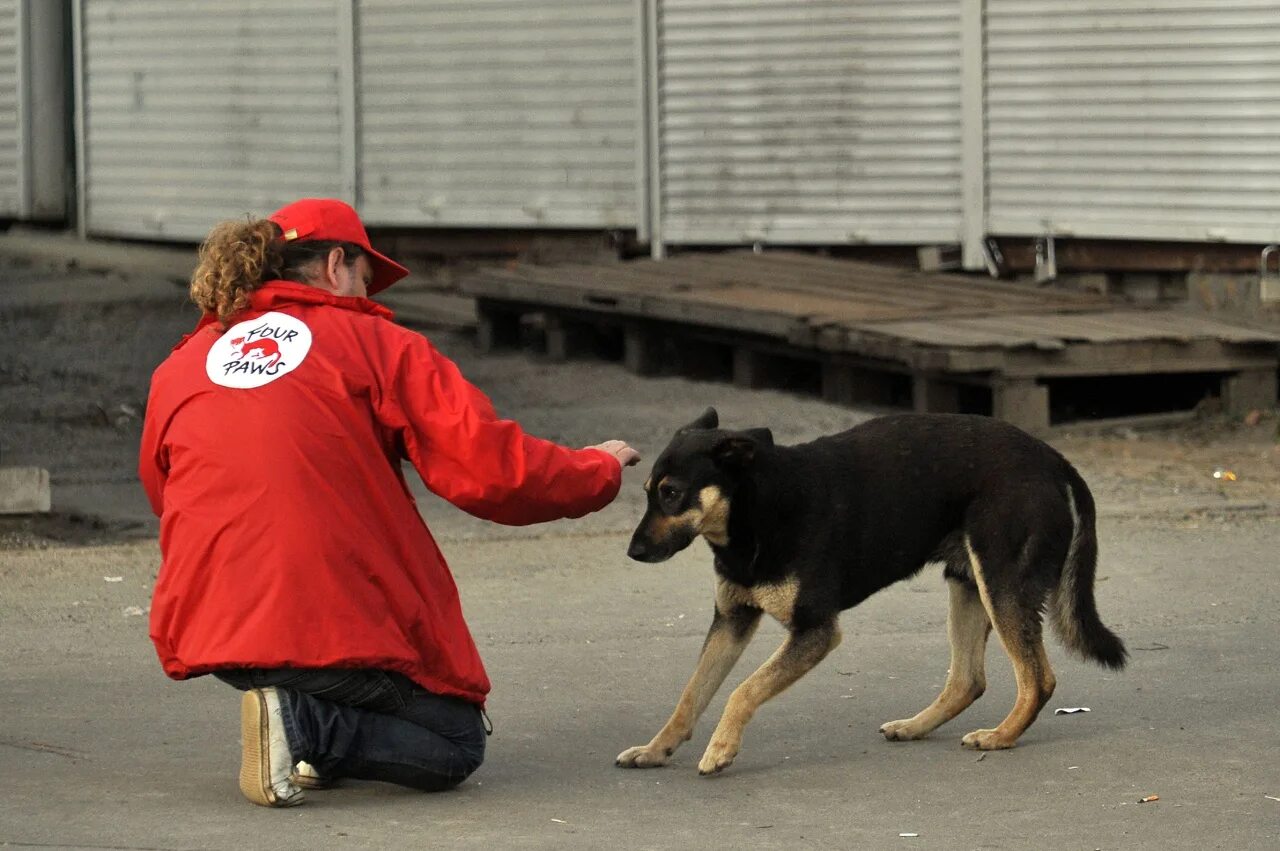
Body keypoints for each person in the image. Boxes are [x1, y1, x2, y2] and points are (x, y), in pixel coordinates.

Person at [139, 198, 640, 808]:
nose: (367, 295)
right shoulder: (376, 344)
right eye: (365, 279)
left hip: (207, 624)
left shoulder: (182, 364)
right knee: (454, 740)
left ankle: (299, 730)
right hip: (312, 621)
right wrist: (598, 468)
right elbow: (490, 469)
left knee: (340, 660)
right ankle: (303, 726)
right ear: (334, 265)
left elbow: (165, 493)